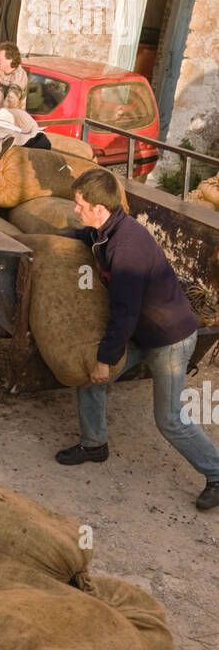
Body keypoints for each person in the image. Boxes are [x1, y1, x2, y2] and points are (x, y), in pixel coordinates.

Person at [55, 166, 219, 511]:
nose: (75, 209)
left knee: (170, 419)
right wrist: (58, 238)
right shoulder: (107, 231)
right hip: (142, 332)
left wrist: (105, 358)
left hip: (169, 340)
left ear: (100, 209)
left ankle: (216, 474)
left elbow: (124, 312)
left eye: (80, 205)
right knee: (91, 379)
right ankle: (94, 444)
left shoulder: (127, 248)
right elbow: (89, 239)